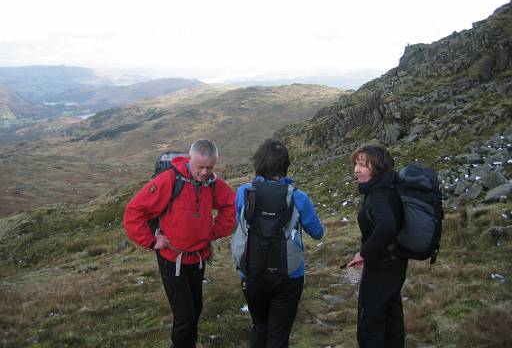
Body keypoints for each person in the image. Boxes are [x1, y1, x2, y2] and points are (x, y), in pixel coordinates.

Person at [123, 139, 236, 348]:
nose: (204, 172)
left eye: (209, 168)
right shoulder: (169, 180)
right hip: (170, 257)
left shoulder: (212, 183)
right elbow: (134, 211)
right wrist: (151, 241)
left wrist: (213, 231)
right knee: (184, 315)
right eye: (200, 167)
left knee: (196, 308)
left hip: (198, 257)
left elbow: (230, 205)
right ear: (189, 159)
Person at [235, 139, 324, 348]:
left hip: (252, 272)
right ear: (285, 165)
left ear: (258, 163)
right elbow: (318, 233)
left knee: (259, 326)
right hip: (289, 276)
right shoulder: (299, 198)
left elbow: (237, 222)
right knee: (279, 334)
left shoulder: (243, 193)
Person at [346, 144, 408, 348]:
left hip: (382, 265)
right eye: (356, 164)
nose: (356, 169)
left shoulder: (379, 193)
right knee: (391, 312)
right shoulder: (390, 186)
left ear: (378, 167)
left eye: (363, 165)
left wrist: (365, 253)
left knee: (370, 317)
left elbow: (387, 226)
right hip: (395, 261)